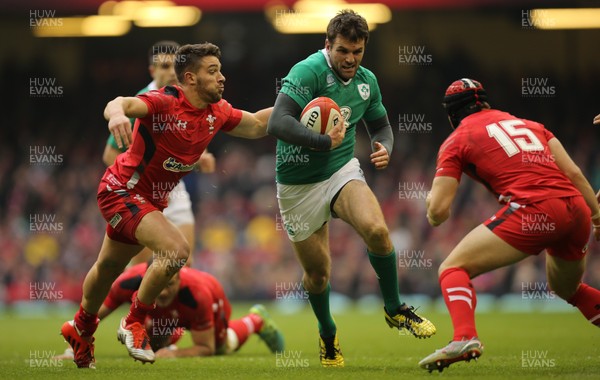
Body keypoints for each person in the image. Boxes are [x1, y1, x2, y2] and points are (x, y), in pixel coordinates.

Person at [60, 42, 273, 369]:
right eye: (213, 71)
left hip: (146, 200)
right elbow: (120, 103)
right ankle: (134, 322)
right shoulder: (165, 100)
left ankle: (82, 329)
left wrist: (298, 106)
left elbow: (258, 124)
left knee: (108, 269)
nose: (222, 78)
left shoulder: (216, 112)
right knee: (175, 250)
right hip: (122, 190)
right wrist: (117, 114)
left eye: (220, 70)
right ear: (190, 78)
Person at [267, 9, 436, 368]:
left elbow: (382, 126)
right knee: (318, 274)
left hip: (342, 171)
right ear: (327, 45)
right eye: (343, 50)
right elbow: (277, 122)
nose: (350, 59)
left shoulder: (367, 81)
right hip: (297, 186)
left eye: (357, 52)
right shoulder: (307, 71)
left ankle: (394, 308)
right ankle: (328, 332)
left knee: (377, 230)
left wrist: (385, 147)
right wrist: (322, 141)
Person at [419, 78, 600, 372]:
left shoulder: (457, 140)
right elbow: (575, 173)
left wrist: (429, 207)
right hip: (576, 208)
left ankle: (464, 337)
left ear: (451, 114)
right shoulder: (531, 124)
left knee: (452, 269)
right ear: (486, 102)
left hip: (536, 211)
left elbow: (439, 213)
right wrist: (596, 217)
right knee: (569, 289)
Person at [102, 40, 215, 267]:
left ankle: (164, 303)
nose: (171, 72)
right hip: (142, 193)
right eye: (164, 66)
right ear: (152, 71)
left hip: (174, 193)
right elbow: (109, 154)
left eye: (175, 66)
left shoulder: (190, 96)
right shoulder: (142, 101)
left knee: (184, 263)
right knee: (140, 267)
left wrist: (199, 159)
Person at [57, 263, 283, 359]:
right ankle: (170, 335)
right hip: (163, 318)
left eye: (171, 284)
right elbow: (90, 317)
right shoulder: (126, 284)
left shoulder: (198, 295)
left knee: (222, 349)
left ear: (180, 277)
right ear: (147, 278)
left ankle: (256, 320)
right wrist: (72, 350)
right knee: (150, 344)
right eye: (158, 284)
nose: (164, 292)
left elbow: (206, 347)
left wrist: (175, 354)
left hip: (212, 300)